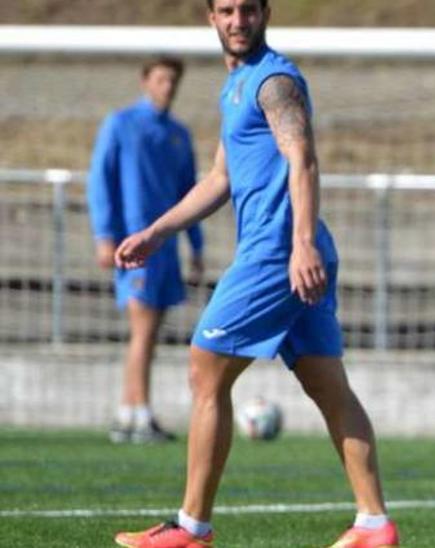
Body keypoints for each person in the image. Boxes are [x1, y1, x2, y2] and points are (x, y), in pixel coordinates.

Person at [113, 1, 397, 546]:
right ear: (211, 19)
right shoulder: (236, 86)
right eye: (226, 10)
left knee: (205, 370)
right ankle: (374, 523)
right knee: (328, 386)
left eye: (247, 9)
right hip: (288, 254)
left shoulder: (274, 81)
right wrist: (157, 232)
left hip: (278, 255)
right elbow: (220, 178)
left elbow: (303, 158)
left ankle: (191, 528)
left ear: (265, 13)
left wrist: (302, 243)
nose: (237, 20)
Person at [88, 55, 204, 445]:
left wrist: (196, 246)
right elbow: (100, 181)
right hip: (133, 246)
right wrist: (105, 234)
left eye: (172, 80)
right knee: (142, 330)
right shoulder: (120, 124)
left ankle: (130, 412)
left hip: (166, 248)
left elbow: (192, 194)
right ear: (145, 81)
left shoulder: (178, 134)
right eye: (160, 79)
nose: (167, 87)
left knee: (149, 333)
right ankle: (138, 414)